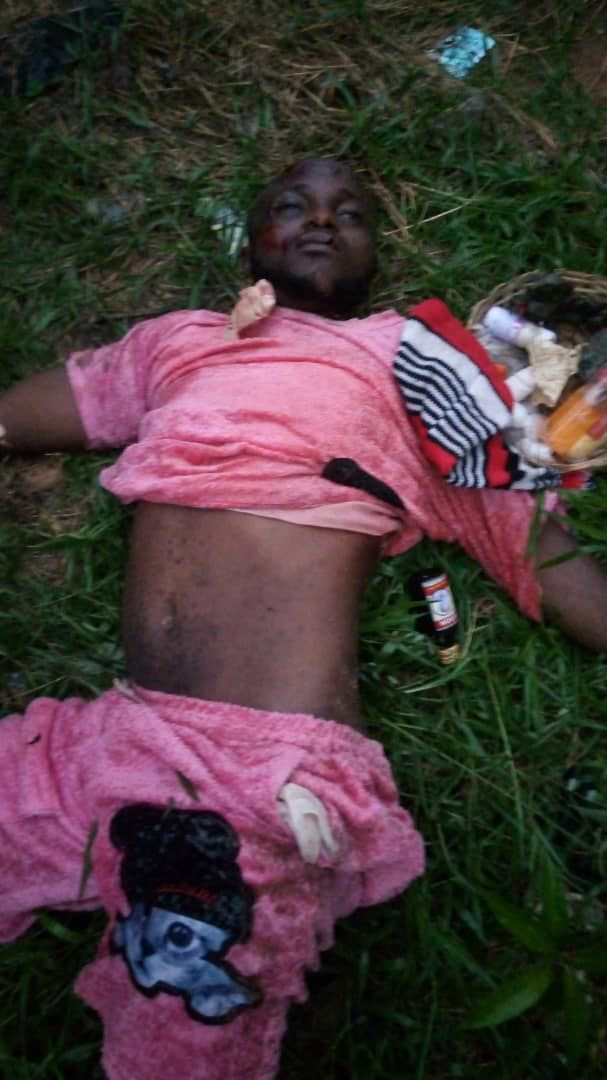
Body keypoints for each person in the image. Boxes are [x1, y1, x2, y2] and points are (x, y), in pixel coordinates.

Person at [0, 157, 606, 1080]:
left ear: (376, 256)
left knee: (185, 1044)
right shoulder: (179, 343)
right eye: (293, 206)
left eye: (349, 213)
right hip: (110, 742)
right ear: (250, 245)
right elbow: (48, 409)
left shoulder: (412, 370)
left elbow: (532, 548)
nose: (322, 220)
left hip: (260, 779)